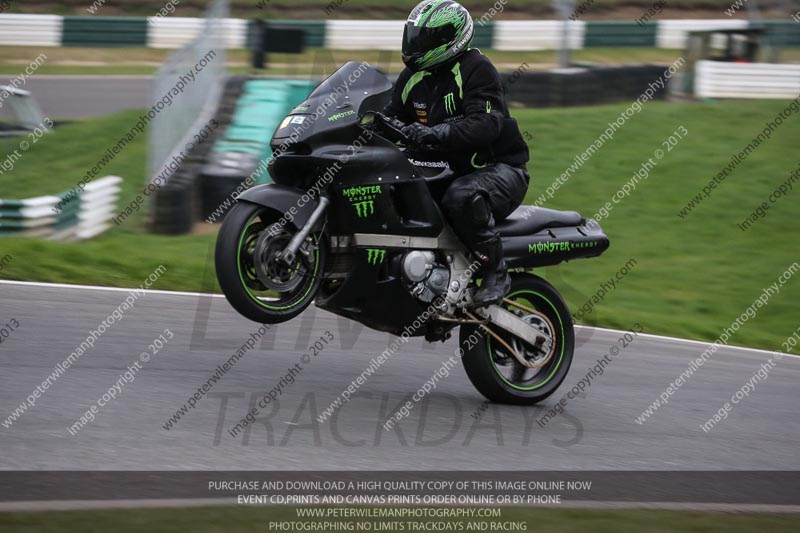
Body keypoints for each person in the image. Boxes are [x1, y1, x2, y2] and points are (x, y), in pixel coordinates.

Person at [384, 0, 531, 307]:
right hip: (444, 167)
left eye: (424, 38)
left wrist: (434, 133)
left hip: (498, 169)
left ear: (448, 39)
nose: (414, 44)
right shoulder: (412, 77)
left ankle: (495, 272)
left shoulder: (477, 69)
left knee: (460, 196)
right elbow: (389, 117)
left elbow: (486, 124)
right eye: (413, 36)